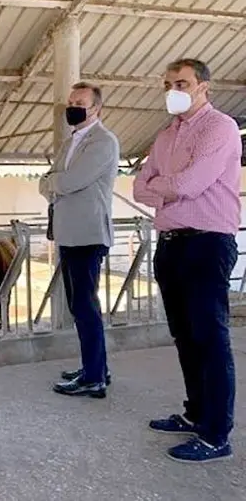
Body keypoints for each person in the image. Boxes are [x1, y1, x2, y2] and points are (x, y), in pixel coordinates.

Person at [133, 58, 241, 463]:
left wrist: (163, 187)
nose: (172, 90)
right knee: (185, 335)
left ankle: (216, 433)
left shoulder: (221, 128)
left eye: (181, 82)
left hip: (207, 242)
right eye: (167, 84)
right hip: (171, 242)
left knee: (210, 338)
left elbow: (191, 184)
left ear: (203, 87)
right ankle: (195, 413)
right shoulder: (165, 136)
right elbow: (139, 185)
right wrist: (167, 189)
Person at [39, 81, 119, 398]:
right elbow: (47, 180)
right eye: (71, 100)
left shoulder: (103, 142)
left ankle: (93, 378)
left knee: (85, 307)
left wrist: (53, 183)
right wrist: (53, 183)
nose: (71, 106)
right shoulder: (71, 141)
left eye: (80, 102)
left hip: (87, 234)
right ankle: (95, 367)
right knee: (79, 305)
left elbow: (68, 181)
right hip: (70, 234)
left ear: (96, 108)